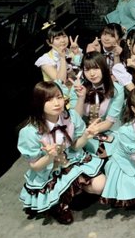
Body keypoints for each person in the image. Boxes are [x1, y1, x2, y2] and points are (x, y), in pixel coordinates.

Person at [18, 81, 105, 224]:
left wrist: (86, 136)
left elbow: (75, 147)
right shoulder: (30, 132)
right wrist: (49, 157)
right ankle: (58, 205)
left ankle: (76, 191)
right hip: (49, 169)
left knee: (100, 185)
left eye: (59, 97)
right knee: (61, 193)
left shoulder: (70, 117)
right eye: (49, 99)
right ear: (38, 103)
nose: (56, 103)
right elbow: (35, 166)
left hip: (71, 159)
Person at [74, 51, 126, 157]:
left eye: (96, 68)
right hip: (84, 132)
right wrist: (81, 97)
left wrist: (91, 131)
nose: (92, 74)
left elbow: (109, 122)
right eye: (87, 70)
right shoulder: (78, 88)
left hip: (108, 130)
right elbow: (76, 119)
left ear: (104, 68)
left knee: (109, 154)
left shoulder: (117, 89)